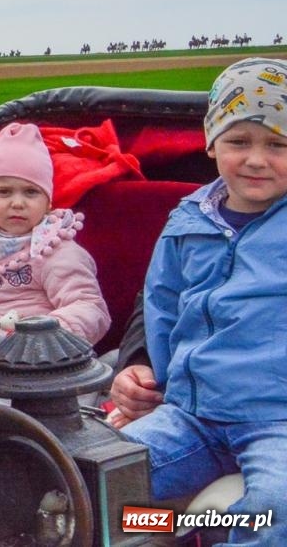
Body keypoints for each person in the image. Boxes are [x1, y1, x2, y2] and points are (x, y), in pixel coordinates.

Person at [110, 59, 287, 542]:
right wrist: (146, 374)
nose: (256, 159)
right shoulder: (187, 221)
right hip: (190, 416)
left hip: (277, 419)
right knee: (96, 480)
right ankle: (185, 529)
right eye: (239, 141)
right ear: (211, 143)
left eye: (277, 144)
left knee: (274, 512)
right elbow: (161, 305)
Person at [0, 122, 109, 400]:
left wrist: (38, 336)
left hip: (31, 363)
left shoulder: (57, 250)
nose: (18, 203)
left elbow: (90, 308)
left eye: (30, 192)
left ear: (48, 201)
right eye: (4, 192)